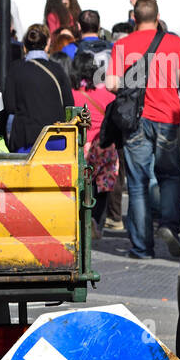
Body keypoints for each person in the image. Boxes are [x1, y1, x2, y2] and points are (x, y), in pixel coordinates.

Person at [106, 0, 180, 260]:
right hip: (169, 119)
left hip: (136, 121)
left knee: (137, 184)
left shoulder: (122, 45)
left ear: (134, 18)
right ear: (158, 18)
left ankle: (141, 248)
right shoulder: (174, 42)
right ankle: (168, 226)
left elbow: (111, 84)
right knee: (169, 177)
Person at [4, 23, 74, 153]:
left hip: (26, 139)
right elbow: (69, 104)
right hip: (55, 138)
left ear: (24, 46)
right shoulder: (57, 69)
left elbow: (10, 106)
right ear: (47, 43)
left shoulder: (16, 69)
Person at [70, 50, 118, 237]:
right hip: (103, 145)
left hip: (80, 147)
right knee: (103, 185)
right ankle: (96, 221)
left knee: (81, 184)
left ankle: (81, 220)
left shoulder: (72, 94)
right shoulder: (106, 93)